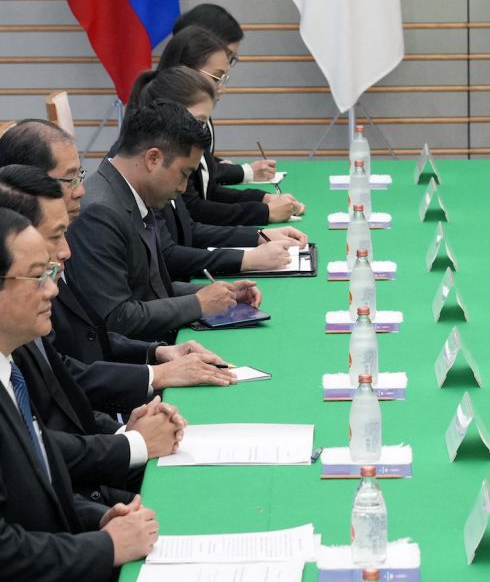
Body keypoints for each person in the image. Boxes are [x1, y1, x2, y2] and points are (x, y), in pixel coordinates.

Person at [0, 207, 159, 582]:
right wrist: (105, 547)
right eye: (38, 276)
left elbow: (37, 491)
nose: (52, 289)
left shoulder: (10, 369)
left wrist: (99, 520)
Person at [0, 119, 238, 382]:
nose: (81, 190)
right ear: (31, 182)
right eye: (70, 179)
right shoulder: (97, 212)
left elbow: (88, 337)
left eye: (80, 175)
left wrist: (156, 353)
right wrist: (153, 375)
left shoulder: (81, 222)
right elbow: (69, 362)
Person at [66, 103, 262, 342]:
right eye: (183, 174)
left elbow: (150, 291)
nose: (182, 188)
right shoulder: (99, 212)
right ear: (153, 158)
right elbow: (114, 319)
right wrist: (198, 304)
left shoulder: (129, 194)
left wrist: (220, 293)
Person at [127, 66, 301, 264]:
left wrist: (259, 236)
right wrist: (247, 259)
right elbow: (168, 255)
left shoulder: (167, 158)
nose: (203, 131)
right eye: (198, 121)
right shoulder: (143, 173)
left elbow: (189, 230)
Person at [156, 26, 303, 223]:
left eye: (224, 78)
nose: (221, 89)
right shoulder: (165, 132)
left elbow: (209, 189)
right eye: (216, 77)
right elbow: (192, 209)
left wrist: (262, 199)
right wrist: (263, 212)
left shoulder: (197, 119)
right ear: (185, 72)